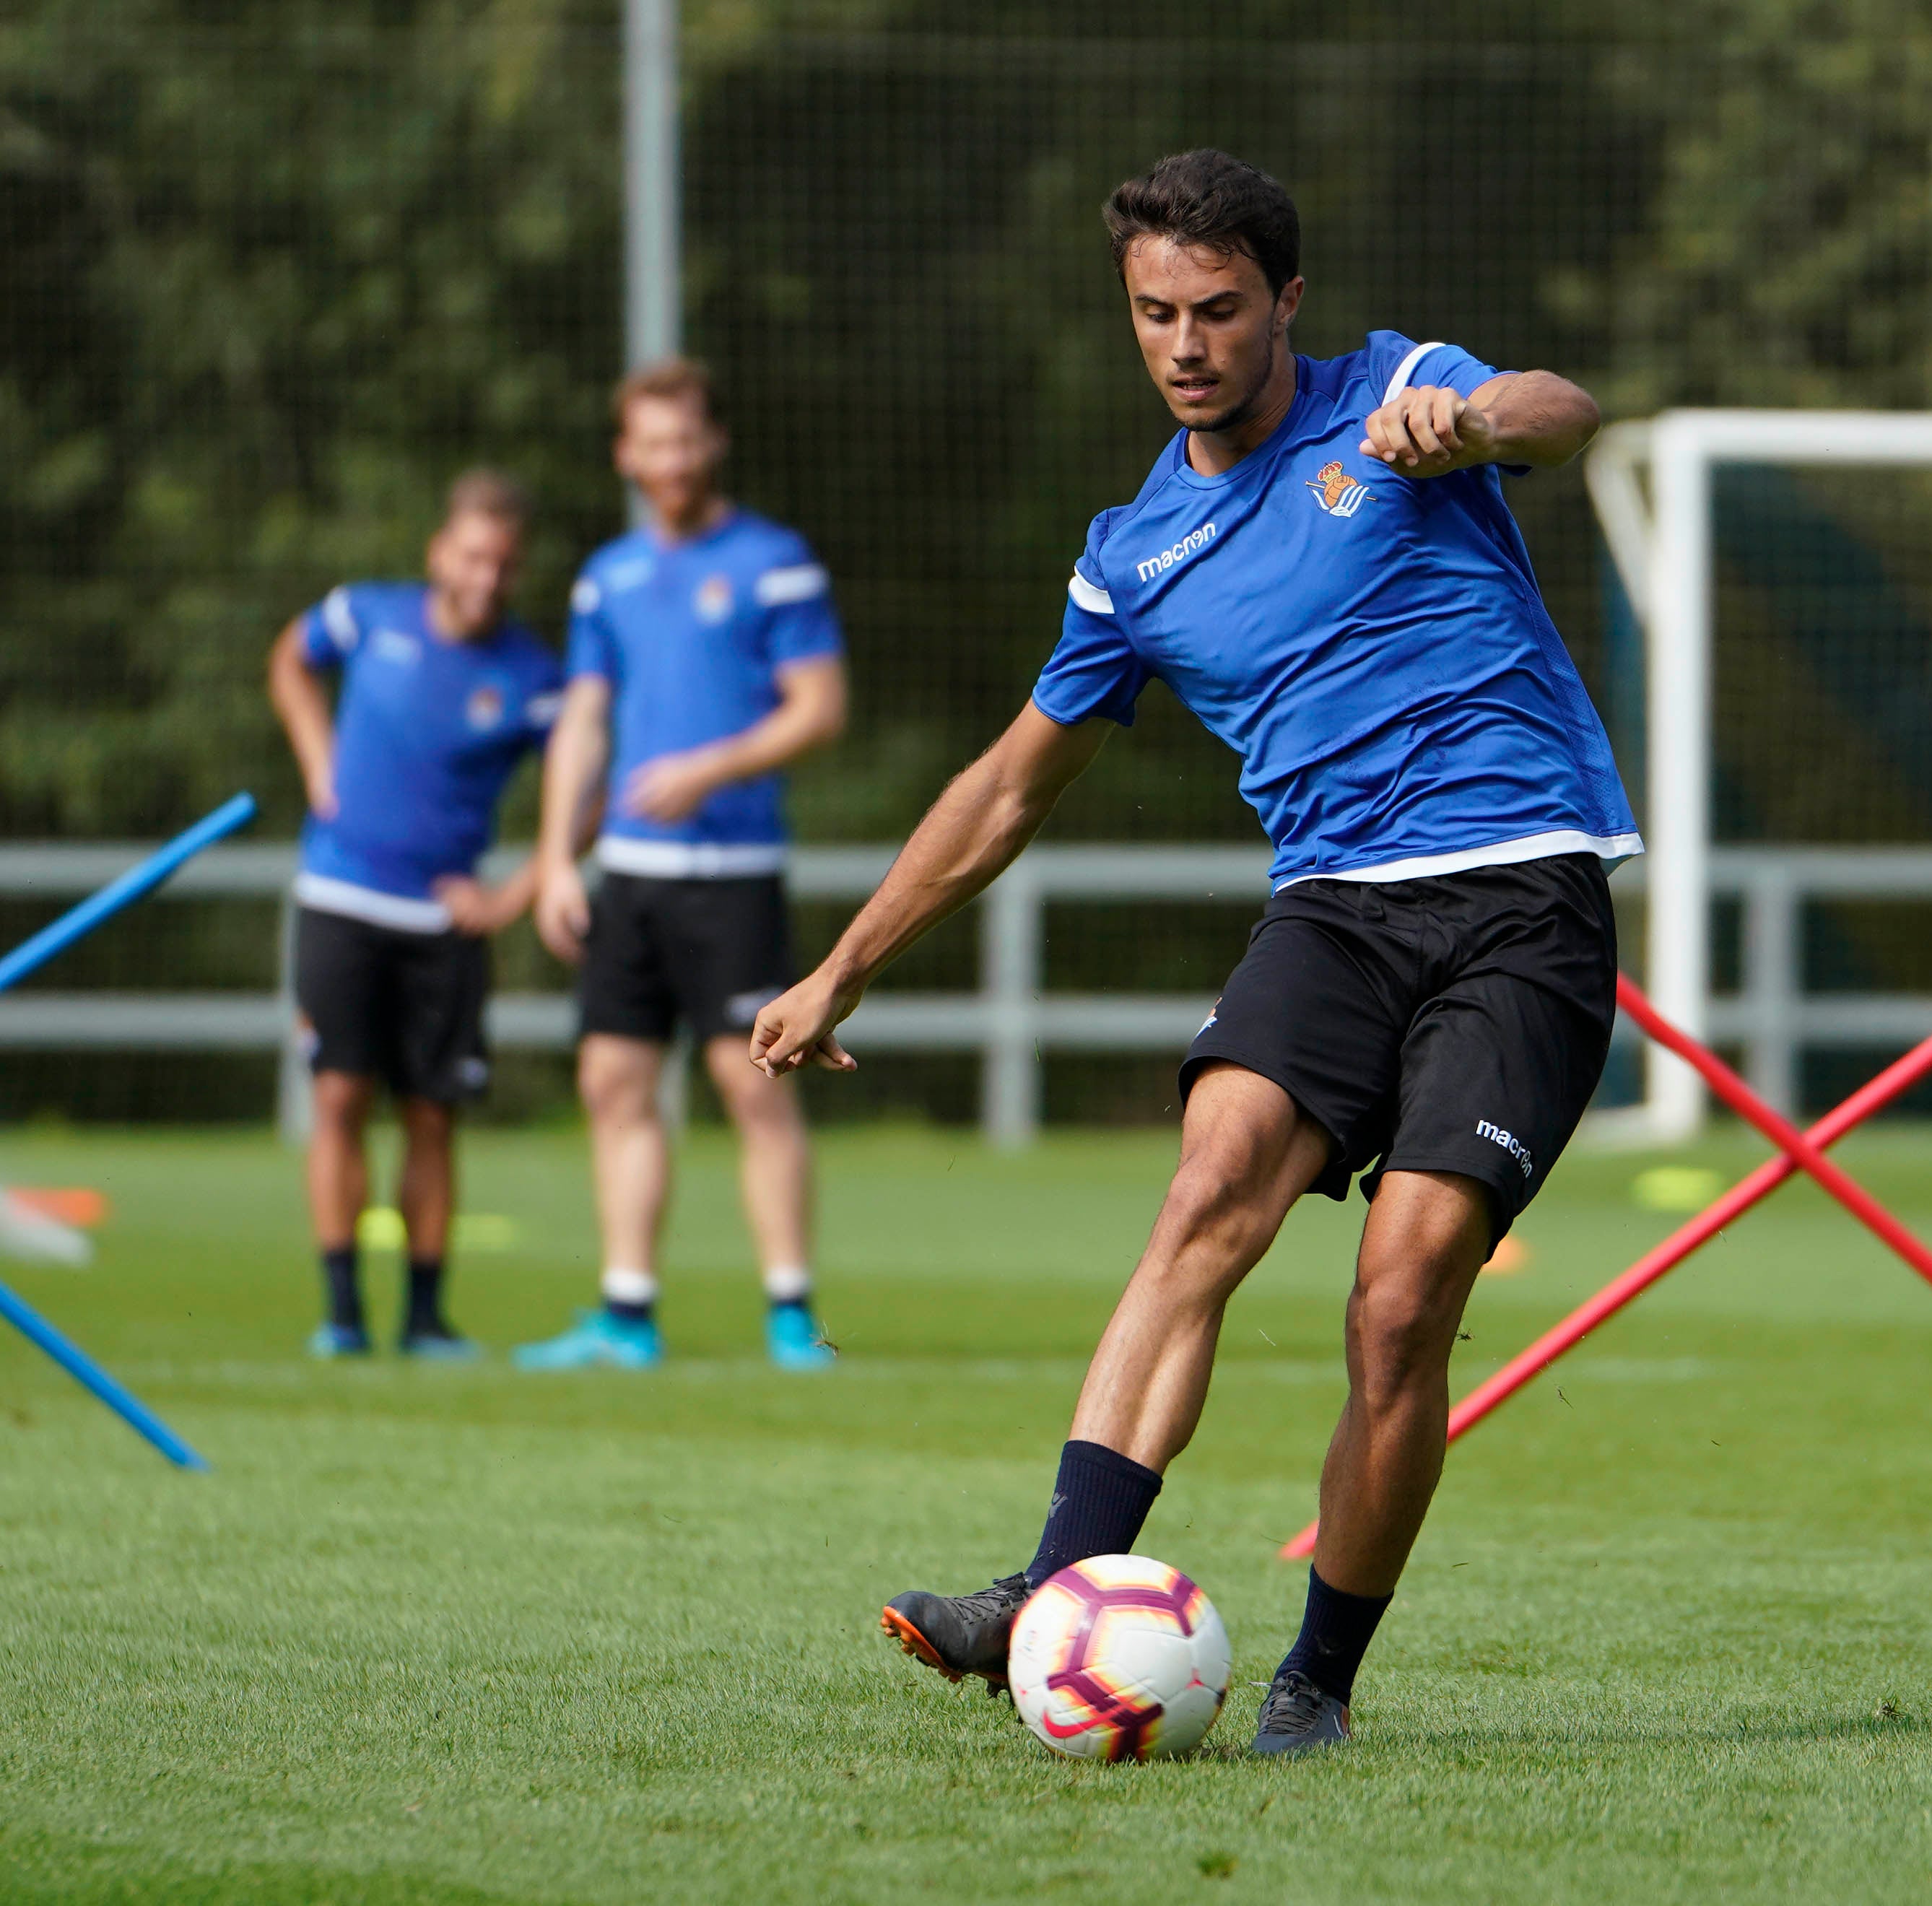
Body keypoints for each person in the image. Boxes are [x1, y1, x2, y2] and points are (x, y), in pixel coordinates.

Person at [749, 149, 1636, 1751]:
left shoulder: (1393, 395)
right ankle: (1047, 1590)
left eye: (1218, 308)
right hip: (1336, 911)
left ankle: (1315, 1685)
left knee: (1398, 1301)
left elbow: (1563, 409)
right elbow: (1005, 789)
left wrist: (1482, 422)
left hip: (1521, 899)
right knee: (1205, 1190)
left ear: (1283, 301)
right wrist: (842, 968)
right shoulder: (1132, 555)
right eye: (1154, 311)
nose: (1184, 342)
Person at [514, 359, 848, 1372]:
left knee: (751, 1087)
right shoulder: (605, 576)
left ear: (714, 442)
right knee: (613, 1081)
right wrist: (552, 862)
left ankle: (792, 1315)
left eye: (684, 438)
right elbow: (582, 720)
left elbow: (819, 709)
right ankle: (626, 1313)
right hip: (630, 876)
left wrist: (712, 766)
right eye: (648, 442)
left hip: (733, 873)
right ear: (626, 455)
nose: (669, 459)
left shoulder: (774, 562)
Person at [267, 470, 564, 1359]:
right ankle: (342, 1314)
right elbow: (290, 659)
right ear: (441, 551)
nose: (485, 576)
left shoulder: (533, 676)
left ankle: (427, 1318)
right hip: (340, 900)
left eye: (504, 564)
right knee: (339, 1095)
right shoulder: (367, 616)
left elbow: (581, 788)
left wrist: (518, 891)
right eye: (473, 555)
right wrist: (318, 760)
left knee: (432, 1114)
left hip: (445, 924)